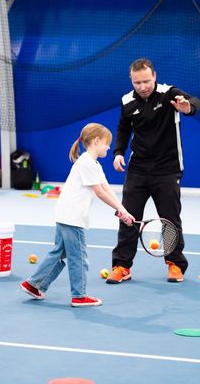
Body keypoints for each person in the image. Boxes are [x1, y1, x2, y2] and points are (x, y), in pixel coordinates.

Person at [107, 58, 200, 284]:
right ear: (131, 80)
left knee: (169, 219)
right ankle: (122, 266)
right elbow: (123, 129)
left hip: (167, 169)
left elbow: (195, 101)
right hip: (138, 169)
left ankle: (175, 264)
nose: (142, 87)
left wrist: (187, 107)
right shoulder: (127, 101)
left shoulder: (169, 93)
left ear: (154, 76)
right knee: (128, 218)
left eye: (146, 81)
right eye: (137, 82)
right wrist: (118, 152)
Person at [20, 123, 134, 307]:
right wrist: (120, 211)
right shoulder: (87, 163)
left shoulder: (94, 164)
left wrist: (124, 210)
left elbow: (106, 188)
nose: (108, 148)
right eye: (107, 143)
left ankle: (34, 285)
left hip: (65, 214)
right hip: (72, 217)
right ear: (96, 141)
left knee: (59, 252)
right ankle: (79, 296)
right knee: (78, 257)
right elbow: (100, 192)